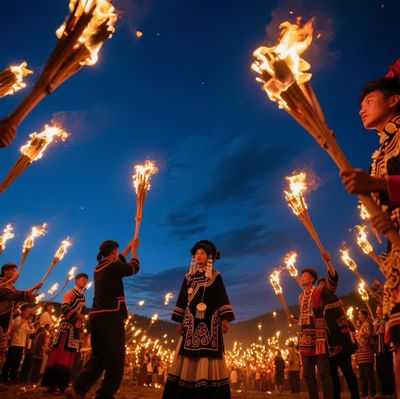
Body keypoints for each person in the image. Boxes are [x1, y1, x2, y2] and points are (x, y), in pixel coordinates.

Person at [340, 76, 400, 397]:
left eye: (369, 101)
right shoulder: (379, 152)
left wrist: (377, 186)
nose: (361, 109)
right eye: (359, 105)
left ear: (394, 100)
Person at [65, 237, 139, 399]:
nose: (118, 254)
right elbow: (134, 267)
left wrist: (128, 246)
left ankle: (78, 389)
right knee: (116, 359)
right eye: (117, 251)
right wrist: (134, 250)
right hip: (111, 318)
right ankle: (104, 395)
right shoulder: (113, 267)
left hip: (96, 319)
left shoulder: (99, 267)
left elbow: (118, 260)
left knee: (99, 357)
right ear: (113, 252)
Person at [162, 240, 235, 399]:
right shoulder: (188, 277)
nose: (198, 255)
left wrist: (225, 319)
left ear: (209, 257)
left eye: (202, 253)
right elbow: (182, 300)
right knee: (186, 357)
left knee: (206, 359)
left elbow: (222, 298)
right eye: (196, 253)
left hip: (210, 324)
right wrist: (180, 321)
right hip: (190, 324)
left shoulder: (216, 276)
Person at [294, 251, 337, 399]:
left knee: (324, 374)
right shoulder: (300, 297)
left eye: (305, 275)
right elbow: (305, 317)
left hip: (319, 338)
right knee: (308, 375)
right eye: (301, 275)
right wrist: (295, 320)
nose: (302, 277)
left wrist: (328, 263)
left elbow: (332, 285)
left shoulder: (319, 291)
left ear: (312, 279)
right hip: (305, 339)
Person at [41, 273, 88, 394]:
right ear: (76, 280)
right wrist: (78, 317)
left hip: (75, 329)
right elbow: (64, 308)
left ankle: (62, 385)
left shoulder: (83, 297)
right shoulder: (69, 293)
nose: (84, 282)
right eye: (83, 279)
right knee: (60, 355)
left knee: (69, 358)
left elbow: (82, 313)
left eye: (86, 280)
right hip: (66, 329)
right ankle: (53, 384)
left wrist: (81, 324)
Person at [315, 277, 359, 399]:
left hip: (341, 344)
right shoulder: (318, 306)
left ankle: (355, 396)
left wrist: (341, 343)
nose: (320, 289)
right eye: (318, 287)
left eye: (322, 286)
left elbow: (342, 323)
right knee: (333, 375)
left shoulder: (334, 301)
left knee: (347, 372)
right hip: (328, 347)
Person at [0, 263, 41, 360]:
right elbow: (13, 295)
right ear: (5, 271)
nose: (16, 273)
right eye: (13, 270)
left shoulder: (11, 287)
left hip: (5, 323)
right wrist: (33, 287)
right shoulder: (1, 284)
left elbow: (17, 299)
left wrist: (30, 295)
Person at [1, 304, 36, 383]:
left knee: (17, 363)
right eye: (27, 311)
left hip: (21, 345)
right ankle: (4, 377)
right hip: (15, 344)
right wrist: (23, 322)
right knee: (10, 361)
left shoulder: (26, 322)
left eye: (28, 311)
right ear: (23, 311)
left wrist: (33, 327)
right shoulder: (18, 318)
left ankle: (12, 377)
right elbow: (14, 328)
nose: (28, 313)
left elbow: (30, 331)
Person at [374, 304, 395, 396]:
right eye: (376, 309)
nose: (376, 311)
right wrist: (377, 332)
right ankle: (384, 390)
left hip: (386, 349)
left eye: (378, 309)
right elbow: (374, 333)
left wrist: (383, 330)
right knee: (380, 370)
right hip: (379, 350)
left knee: (388, 370)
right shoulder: (376, 322)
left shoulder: (386, 320)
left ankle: (391, 390)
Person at [355, 309, 376, 398]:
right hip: (361, 354)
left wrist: (359, 336)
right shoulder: (362, 325)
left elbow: (369, 336)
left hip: (367, 352)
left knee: (368, 374)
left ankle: (372, 392)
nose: (358, 316)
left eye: (360, 314)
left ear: (364, 315)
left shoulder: (367, 324)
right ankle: (364, 392)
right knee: (362, 375)